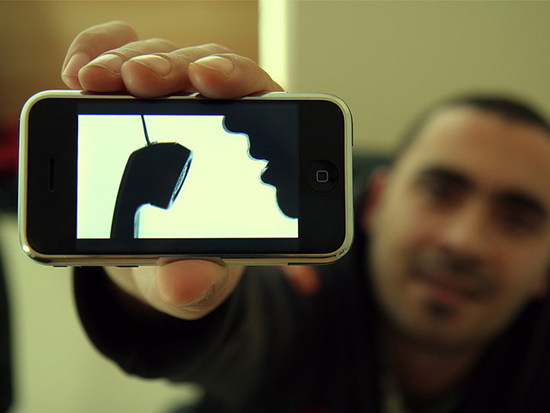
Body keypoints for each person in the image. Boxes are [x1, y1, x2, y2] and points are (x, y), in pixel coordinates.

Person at [65, 22, 550, 412]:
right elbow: (243, 335)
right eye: (440, 192)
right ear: (376, 202)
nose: (463, 241)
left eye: (518, 221)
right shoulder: (304, 297)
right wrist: (139, 283)